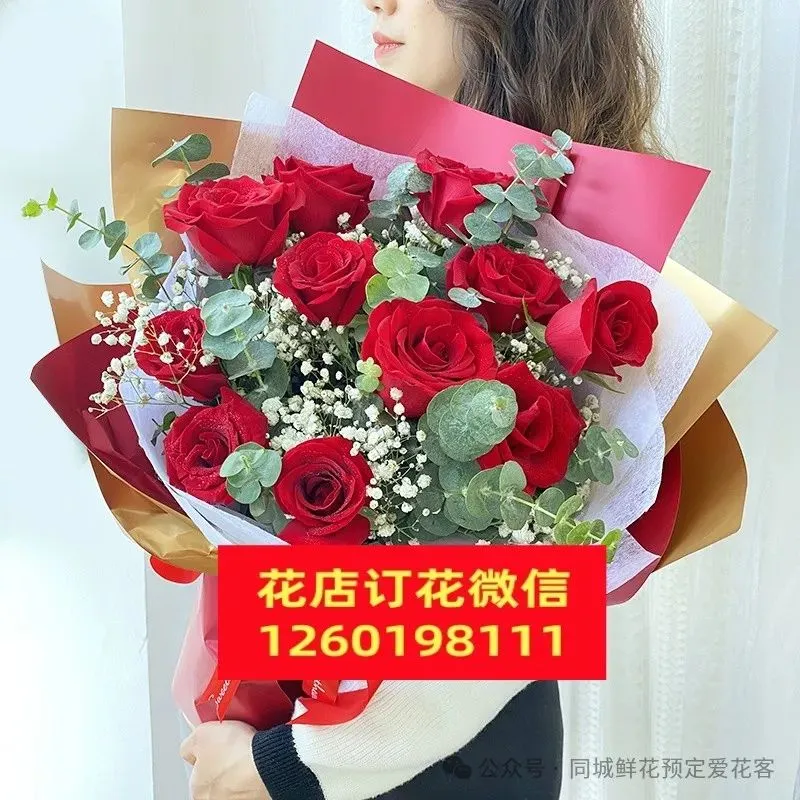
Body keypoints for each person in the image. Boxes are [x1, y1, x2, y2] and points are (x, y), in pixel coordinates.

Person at [180, 1, 662, 798]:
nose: (377, 2)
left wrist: (287, 764)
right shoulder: (360, 204)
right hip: (288, 728)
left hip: (443, 756)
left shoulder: (589, 261)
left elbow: (529, 608)